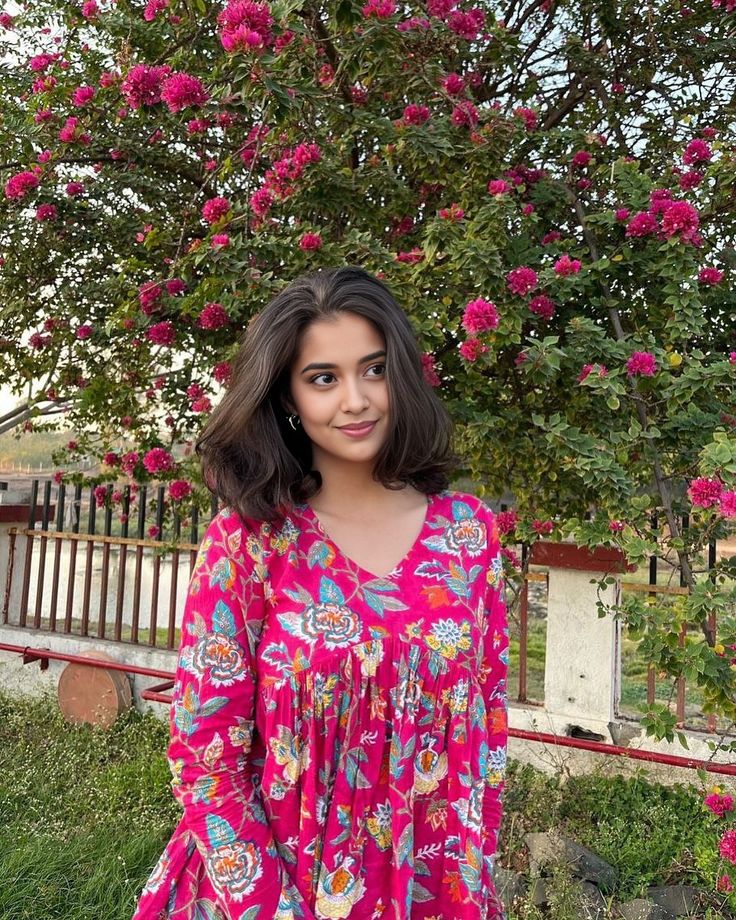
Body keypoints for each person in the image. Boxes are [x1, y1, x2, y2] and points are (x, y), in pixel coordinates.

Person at [132, 266, 509, 920]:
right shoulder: (249, 543)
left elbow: (487, 733)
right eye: (323, 378)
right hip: (266, 894)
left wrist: (472, 877)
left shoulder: (468, 535)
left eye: (374, 369)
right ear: (289, 398)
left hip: (428, 892)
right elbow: (206, 766)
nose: (355, 400)